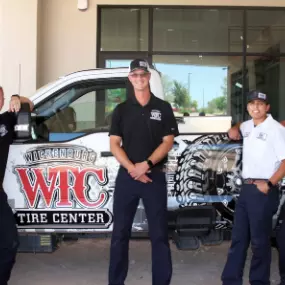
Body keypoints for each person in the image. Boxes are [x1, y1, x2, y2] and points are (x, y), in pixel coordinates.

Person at [108, 59, 179, 285]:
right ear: (130, 78)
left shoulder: (163, 107)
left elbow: (167, 142)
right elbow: (114, 144)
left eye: (143, 74)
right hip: (127, 178)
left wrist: (145, 165)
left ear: (148, 77)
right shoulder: (120, 110)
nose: (139, 78)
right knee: (120, 235)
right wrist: (132, 169)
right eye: (135, 75)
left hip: (154, 177)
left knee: (159, 235)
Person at [221, 90, 285, 285]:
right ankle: (231, 280)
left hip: (263, 189)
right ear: (248, 107)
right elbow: (241, 127)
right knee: (239, 238)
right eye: (252, 104)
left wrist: (269, 184)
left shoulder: (276, 129)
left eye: (259, 104)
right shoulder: (247, 125)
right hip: (246, 189)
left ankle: (259, 281)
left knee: (259, 242)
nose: (255, 107)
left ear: (267, 107)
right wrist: (235, 126)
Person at [0, 86, 33, 285]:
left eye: (2, 97)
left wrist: (17, 98)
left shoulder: (5, 120)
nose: (1, 100)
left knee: (10, 243)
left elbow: (30, 105)